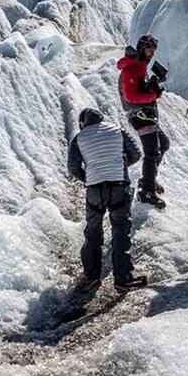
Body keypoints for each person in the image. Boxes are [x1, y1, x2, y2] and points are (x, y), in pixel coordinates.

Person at [67, 107, 148, 295]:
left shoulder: (79, 138)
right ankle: (123, 279)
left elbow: (72, 167)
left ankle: (92, 277)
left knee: (92, 231)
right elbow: (136, 153)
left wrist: (88, 177)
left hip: (94, 188)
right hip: (119, 184)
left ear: (82, 123)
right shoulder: (117, 130)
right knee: (120, 229)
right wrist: (117, 165)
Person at [117, 34, 170, 208]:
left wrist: (151, 88)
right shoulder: (132, 68)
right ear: (141, 48)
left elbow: (137, 90)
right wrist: (153, 94)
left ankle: (148, 180)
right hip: (139, 115)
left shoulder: (139, 67)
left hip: (145, 113)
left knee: (163, 143)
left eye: (154, 49)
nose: (152, 53)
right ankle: (147, 192)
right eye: (149, 49)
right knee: (152, 151)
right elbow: (130, 95)